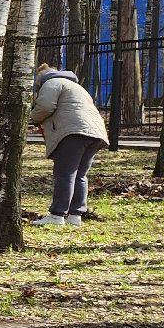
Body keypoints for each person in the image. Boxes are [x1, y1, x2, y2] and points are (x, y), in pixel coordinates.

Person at [29, 63, 108, 226]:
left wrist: (31, 118)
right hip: (95, 133)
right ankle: (75, 216)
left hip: (73, 133)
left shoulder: (51, 83)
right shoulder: (75, 86)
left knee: (65, 174)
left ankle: (57, 215)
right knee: (80, 174)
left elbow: (45, 106)